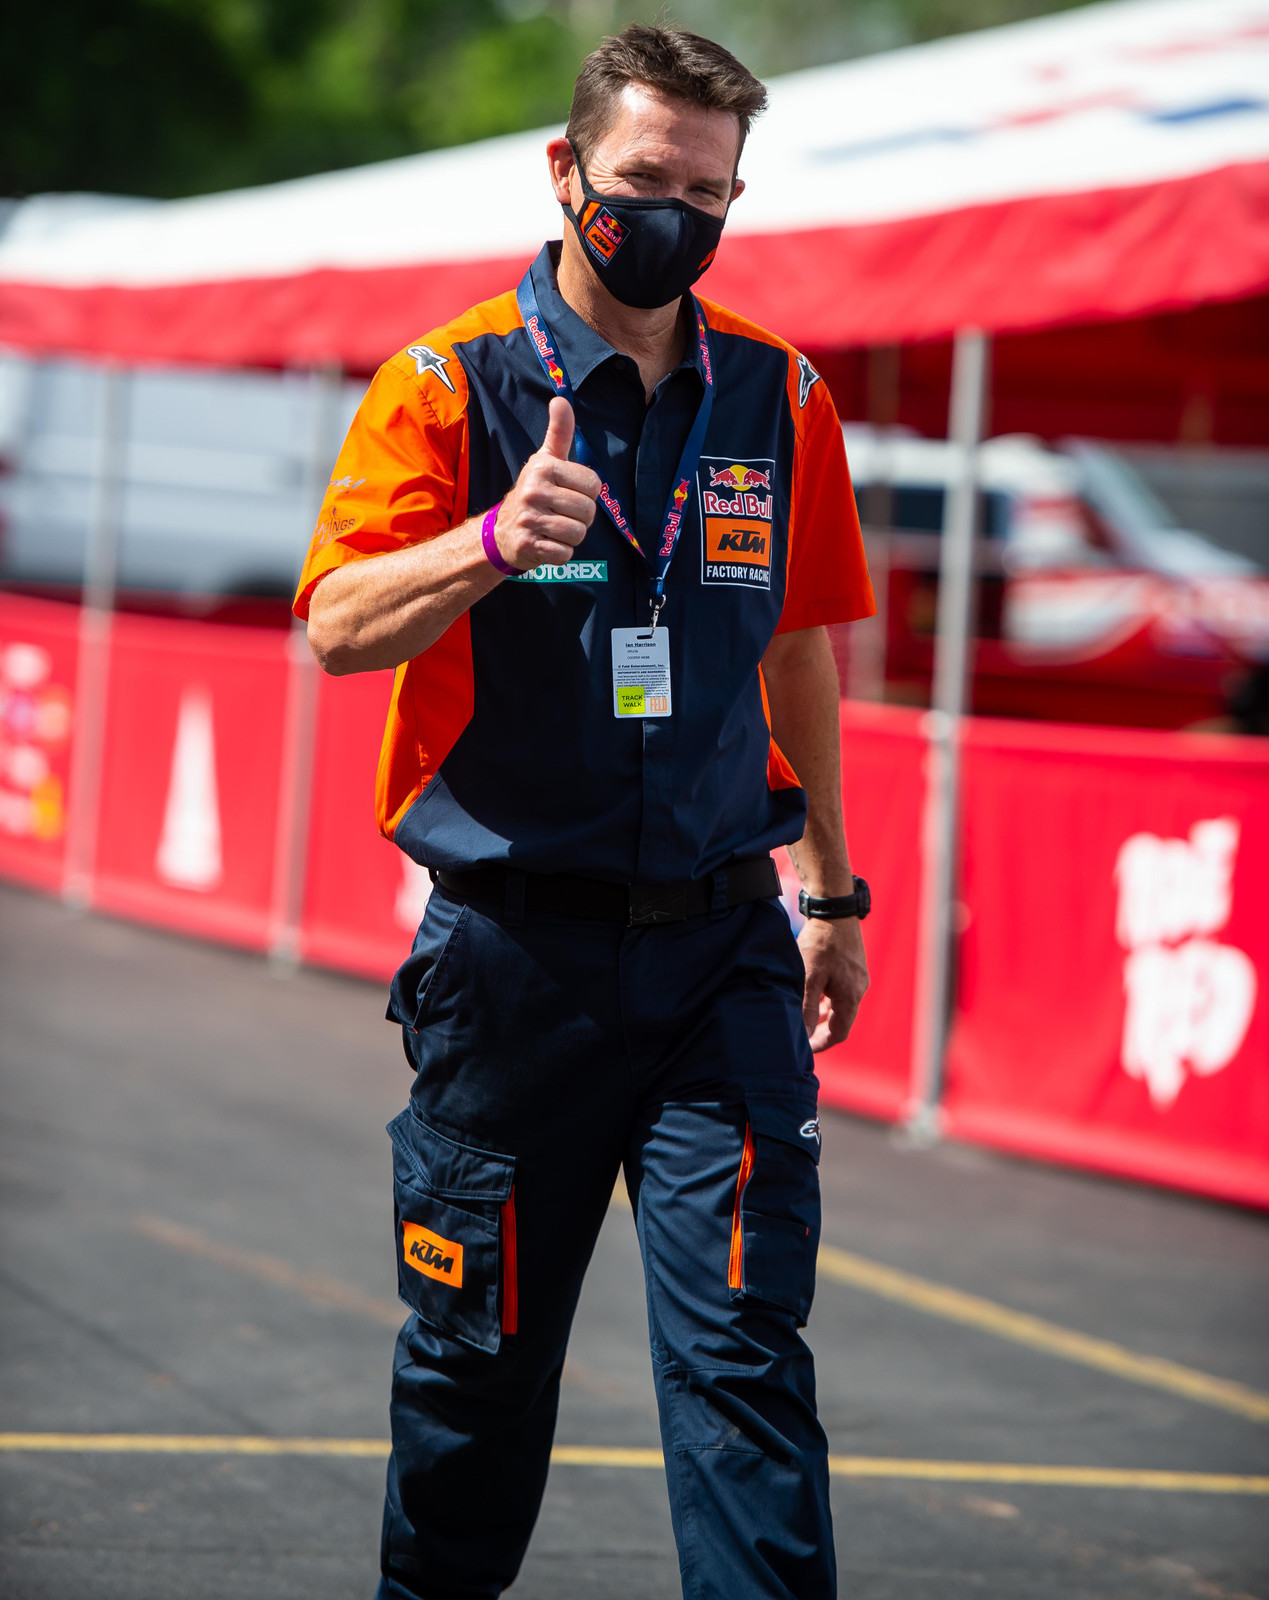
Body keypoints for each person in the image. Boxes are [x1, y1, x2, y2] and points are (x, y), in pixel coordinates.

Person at [294, 24, 874, 1600]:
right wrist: (489, 538)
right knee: (476, 1373)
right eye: (641, 180)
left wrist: (827, 893)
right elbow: (337, 623)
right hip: (513, 964)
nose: (671, 213)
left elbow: (802, 642)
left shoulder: (780, 391)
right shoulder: (446, 380)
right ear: (565, 172)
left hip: (717, 959)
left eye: (707, 188)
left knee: (747, 1359)